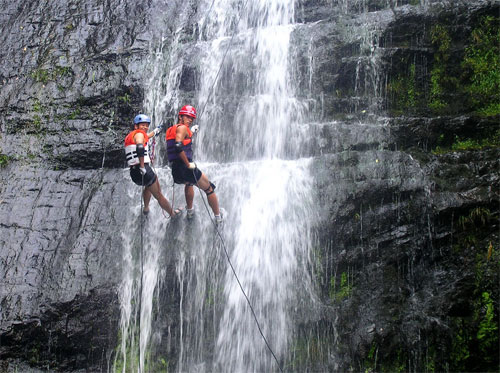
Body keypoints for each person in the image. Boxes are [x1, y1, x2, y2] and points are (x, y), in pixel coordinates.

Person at [165, 105, 222, 223]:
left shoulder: (171, 129)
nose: (190, 120)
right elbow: (178, 146)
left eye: (192, 118)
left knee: (189, 183)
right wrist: (188, 164)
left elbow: (180, 140)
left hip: (176, 170)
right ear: (180, 116)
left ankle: (190, 211)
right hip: (186, 167)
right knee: (209, 189)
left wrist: (190, 132)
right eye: (188, 117)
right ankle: (218, 218)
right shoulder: (182, 128)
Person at [125, 114, 181, 217]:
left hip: (134, 173)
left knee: (148, 186)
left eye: (147, 125)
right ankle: (172, 214)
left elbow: (146, 136)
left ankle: (146, 208)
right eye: (143, 125)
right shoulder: (139, 135)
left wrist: (155, 131)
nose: (145, 127)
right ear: (136, 126)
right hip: (144, 169)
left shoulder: (131, 136)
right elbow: (140, 147)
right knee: (158, 195)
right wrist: (142, 166)